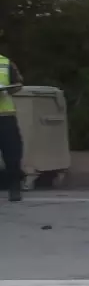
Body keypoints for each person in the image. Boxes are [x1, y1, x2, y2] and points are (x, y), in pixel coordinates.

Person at [0, 53, 24, 202]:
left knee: (12, 153)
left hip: (5, 116)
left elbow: (18, 84)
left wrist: (7, 89)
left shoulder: (5, 62)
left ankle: (15, 188)